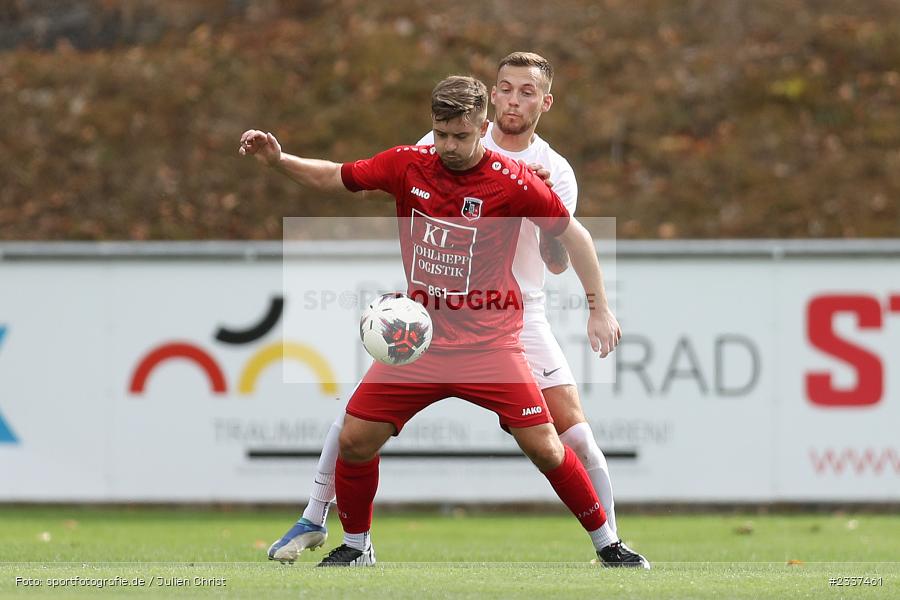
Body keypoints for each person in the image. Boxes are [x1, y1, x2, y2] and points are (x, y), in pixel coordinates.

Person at [240, 74, 647, 568]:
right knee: (352, 438)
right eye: (440, 134)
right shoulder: (408, 164)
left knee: (547, 445)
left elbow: (574, 238)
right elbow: (334, 176)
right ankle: (356, 546)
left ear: (482, 126)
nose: (448, 146)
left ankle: (609, 545)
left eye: (460, 135)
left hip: (490, 343)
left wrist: (598, 305)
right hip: (419, 340)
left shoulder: (513, 180)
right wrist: (280, 161)